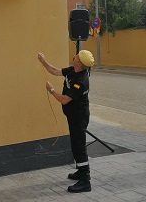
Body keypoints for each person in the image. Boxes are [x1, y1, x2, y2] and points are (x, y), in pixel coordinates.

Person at [37, 49, 94, 193]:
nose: (74, 56)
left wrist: (51, 90)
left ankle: (85, 180)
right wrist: (43, 61)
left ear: (80, 63)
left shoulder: (81, 81)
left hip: (79, 117)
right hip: (73, 116)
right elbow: (56, 71)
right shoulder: (73, 70)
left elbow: (64, 100)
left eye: (77, 56)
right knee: (75, 144)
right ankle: (80, 172)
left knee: (79, 146)